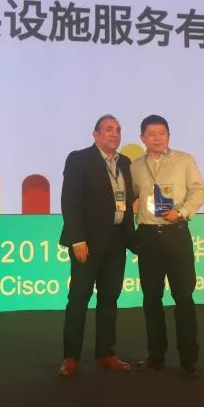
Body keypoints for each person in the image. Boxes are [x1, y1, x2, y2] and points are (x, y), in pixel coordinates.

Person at [58, 115, 137, 377]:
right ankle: (71, 357)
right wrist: (77, 239)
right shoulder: (79, 159)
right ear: (96, 134)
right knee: (78, 298)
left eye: (118, 130)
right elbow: (70, 202)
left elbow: (128, 199)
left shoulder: (125, 163)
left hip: (117, 240)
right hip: (87, 243)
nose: (114, 134)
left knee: (109, 298)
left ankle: (105, 353)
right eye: (108, 129)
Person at [130, 115, 204, 377]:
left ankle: (189, 361)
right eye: (151, 134)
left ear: (169, 136)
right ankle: (156, 356)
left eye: (162, 133)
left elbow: (198, 191)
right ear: (142, 138)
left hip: (176, 234)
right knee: (151, 298)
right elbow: (129, 198)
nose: (157, 138)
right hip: (148, 237)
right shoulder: (134, 167)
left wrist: (181, 212)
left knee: (183, 297)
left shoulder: (184, 160)